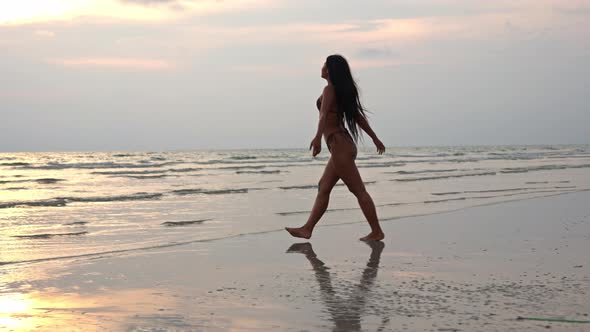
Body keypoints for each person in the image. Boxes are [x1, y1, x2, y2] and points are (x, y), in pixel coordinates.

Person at [285, 54, 386, 241]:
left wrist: (317, 138)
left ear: (330, 69)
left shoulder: (330, 89)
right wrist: (375, 139)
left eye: (324, 64)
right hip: (342, 145)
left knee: (358, 191)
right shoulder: (339, 91)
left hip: (339, 145)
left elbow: (323, 116)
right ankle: (307, 229)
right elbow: (358, 117)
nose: (322, 66)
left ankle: (377, 231)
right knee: (323, 187)